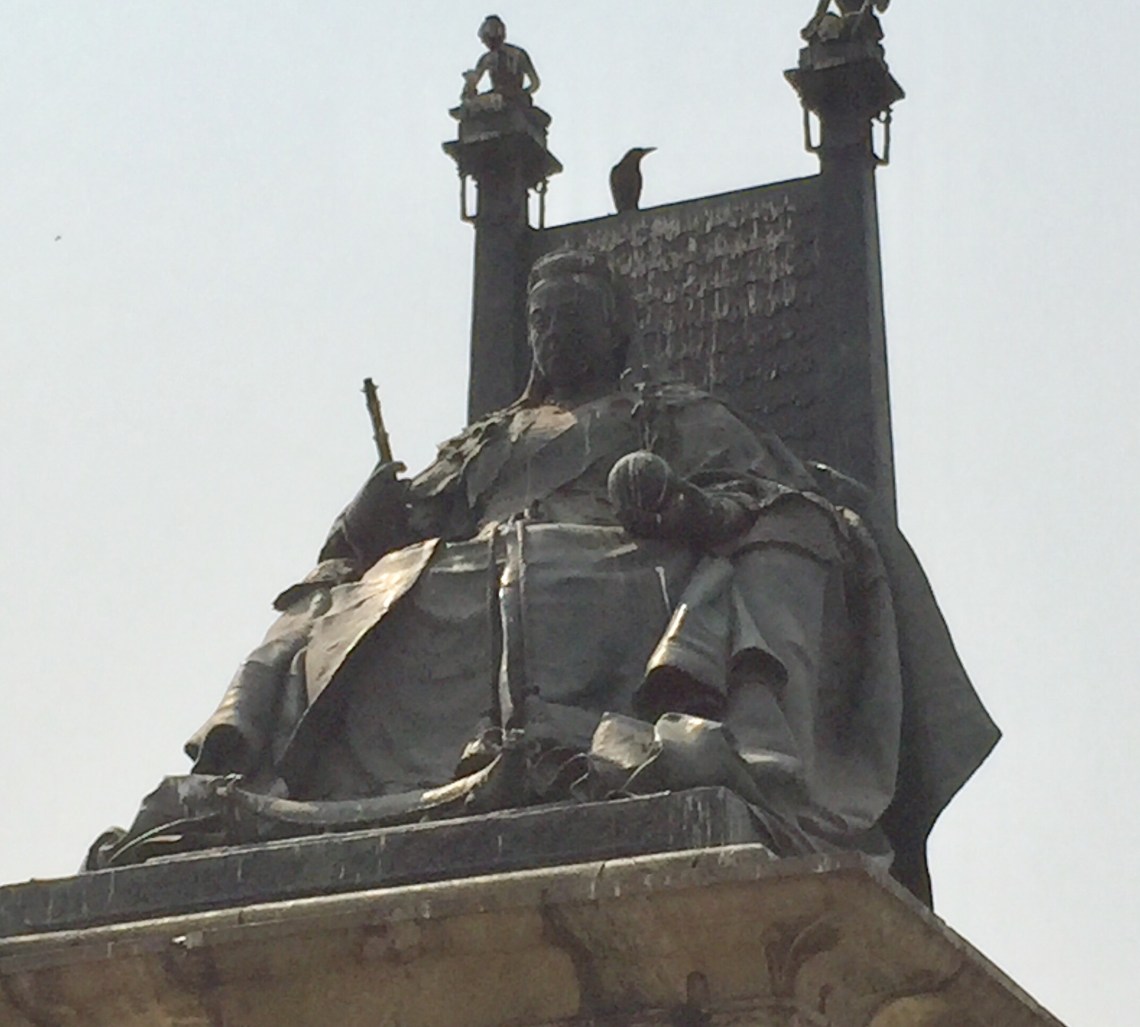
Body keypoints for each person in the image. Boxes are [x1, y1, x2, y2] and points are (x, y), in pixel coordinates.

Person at [95, 250, 998, 905]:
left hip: (612, 559)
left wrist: (684, 504)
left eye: (571, 318)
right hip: (464, 571)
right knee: (341, 600)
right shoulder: (487, 440)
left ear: (615, 330)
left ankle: (635, 743)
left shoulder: (671, 414)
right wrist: (364, 518)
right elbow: (413, 521)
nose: (552, 334)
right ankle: (256, 768)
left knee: (568, 579)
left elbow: (768, 495)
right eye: (539, 322)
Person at [462, 15, 540, 102]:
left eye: (485, 39)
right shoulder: (519, 53)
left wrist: (470, 84)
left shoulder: (487, 59)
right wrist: (523, 94)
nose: (483, 42)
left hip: (499, 99)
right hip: (508, 98)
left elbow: (535, 83)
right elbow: (535, 84)